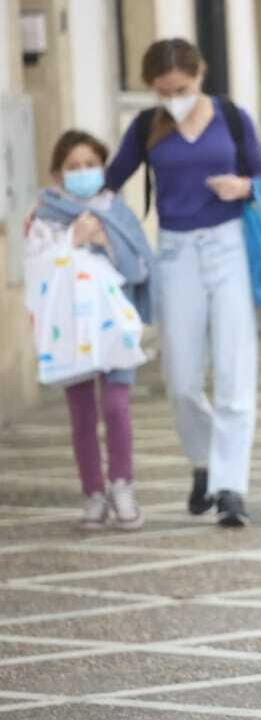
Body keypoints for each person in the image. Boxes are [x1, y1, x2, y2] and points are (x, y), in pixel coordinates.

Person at [104, 39, 261, 528]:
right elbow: (111, 180)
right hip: (175, 254)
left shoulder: (232, 118)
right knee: (180, 380)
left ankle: (232, 486)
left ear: (200, 76)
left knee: (235, 372)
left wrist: (244, 187)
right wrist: (65, 212)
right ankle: (203, 461)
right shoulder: (147, 126)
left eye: (182, 89)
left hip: (228, 246)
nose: (173, 99)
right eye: (163, 91)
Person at [25, 131, 154, 530]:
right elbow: (36, 268)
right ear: (57, 173)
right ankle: (94, 493)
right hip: (70, 328)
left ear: (103, 167)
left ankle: (122, 485)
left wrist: (105, 242)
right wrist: (73, 240)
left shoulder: (117, 210)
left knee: (116, 407)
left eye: (90, 165)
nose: (83, 172)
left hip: (114, 326)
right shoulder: (45, 216)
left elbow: (139, 269)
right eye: (73, 167)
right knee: (81, 413)